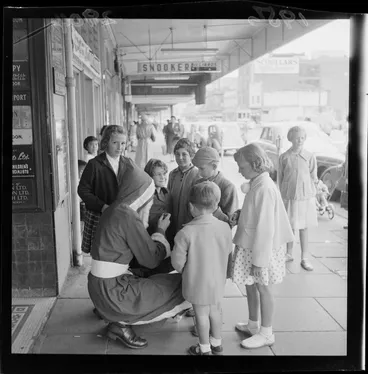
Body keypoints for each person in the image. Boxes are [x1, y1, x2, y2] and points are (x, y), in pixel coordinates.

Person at [88, 159, 191, 349]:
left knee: (157, 280)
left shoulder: (113, 209)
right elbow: (151, 260)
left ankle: (113, 316)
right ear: (140, 194)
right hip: (114, 292)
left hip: (98, 287)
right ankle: (120, 323)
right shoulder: (127, 214)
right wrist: (160, 231)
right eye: (148, 196)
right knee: (179, 285)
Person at [229, 144, 294, 349]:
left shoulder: (264, 188)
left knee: (263, 288)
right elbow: (255, 213)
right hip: (251, 245)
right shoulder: (257, 183)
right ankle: (253, 324)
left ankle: (266, 332)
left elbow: (265, 229)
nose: (239, 170)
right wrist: (242, 214)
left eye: (241, 166)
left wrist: (260, 260)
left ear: (255, 163)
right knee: (250, 284)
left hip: (259, 249)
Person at [171, 181, 233, 355]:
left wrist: (185, 271)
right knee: (215, 310)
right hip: (217, 280)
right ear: (216, 205)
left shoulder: (186, 232)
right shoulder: (225, 227)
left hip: (197, 282)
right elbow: (228, 252)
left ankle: (204, 348)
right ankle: (217, 343)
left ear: (191, 206)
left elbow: (177, 262)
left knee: (201, 314)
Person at [78, 125, 127, 254]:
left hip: (120, 216)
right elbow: (83, 190)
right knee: (100, 254)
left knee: (119, 253)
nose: (119, 147)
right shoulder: (94, 164)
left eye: (123, 143)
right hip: (99, 215)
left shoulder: (127, 163)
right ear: (105, 143)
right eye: (115, 142)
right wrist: (102, 206)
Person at [278, 126, 319, 271]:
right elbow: (280, 179)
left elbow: (314, 177)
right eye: (296, 137)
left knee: (303, 226)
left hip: (305, 197)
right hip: (289, 197)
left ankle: (304, 257)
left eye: (302, 137)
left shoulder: (309, 156)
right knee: (290, 225)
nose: (300, 140)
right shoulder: (284, 157)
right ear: (290, 139)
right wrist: (280, 196)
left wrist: (317, 193)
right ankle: (288, 253)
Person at [167, 138, 200, 238]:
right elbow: (168, 198)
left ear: (191, 156)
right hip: (173, 223)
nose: (180, 157)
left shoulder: (197, 175)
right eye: (177, 154)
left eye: (184, 154)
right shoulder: (172, 174)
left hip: (190, 225)